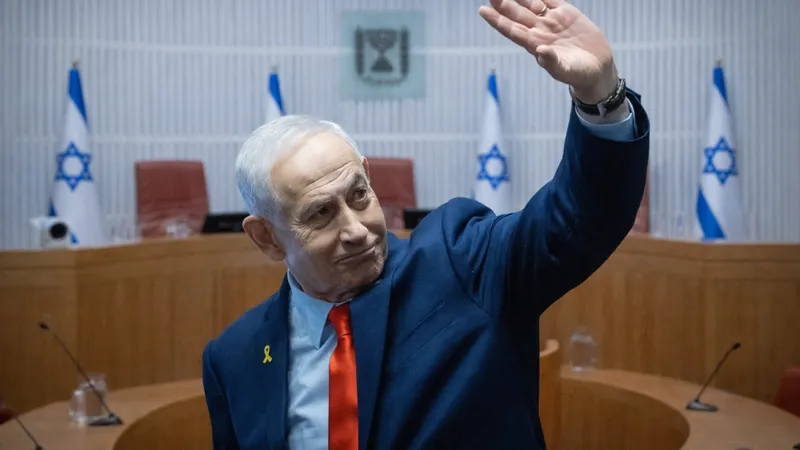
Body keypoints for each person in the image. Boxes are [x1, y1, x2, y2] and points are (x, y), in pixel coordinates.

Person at [202, 0, 650, 448]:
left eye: (359, 195)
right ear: (266, 237)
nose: (356, 230)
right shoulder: (235, 357)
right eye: (320, 214)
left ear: (368, 175)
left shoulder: (461, 264)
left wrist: (601, 96)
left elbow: (577, 220)